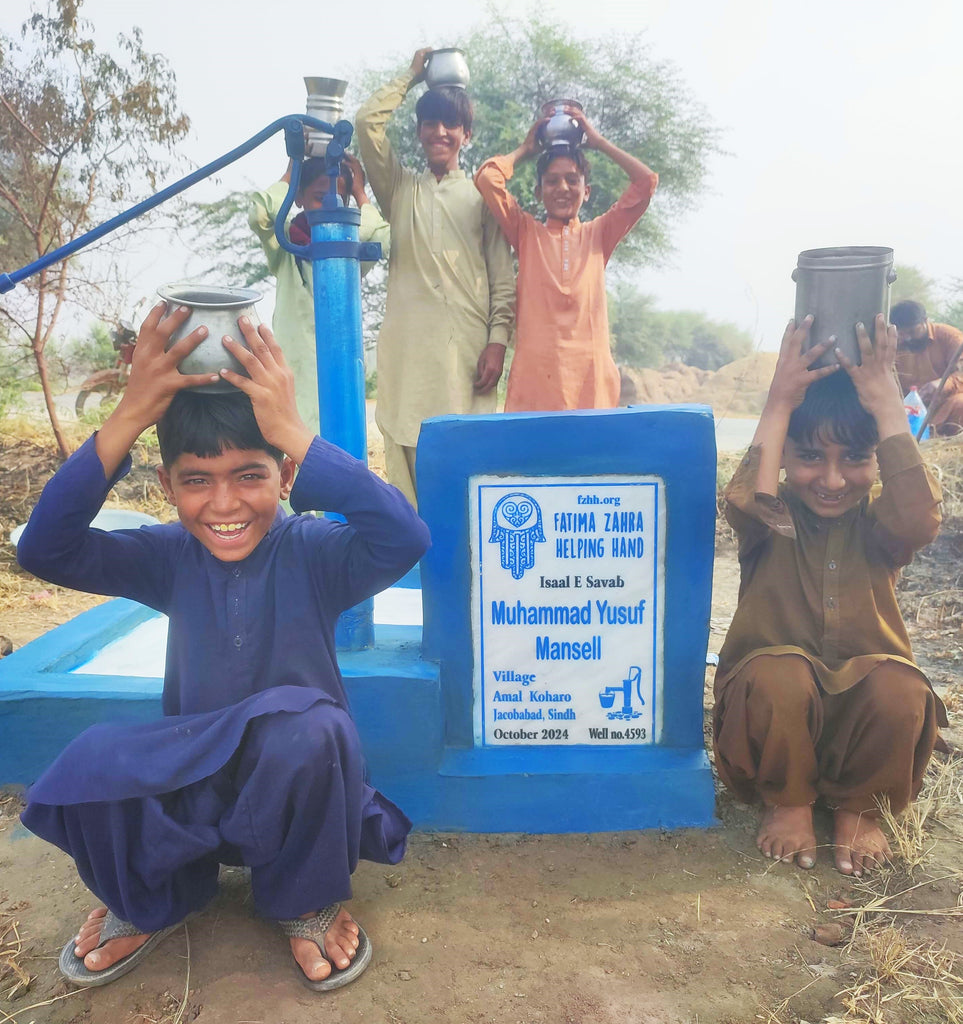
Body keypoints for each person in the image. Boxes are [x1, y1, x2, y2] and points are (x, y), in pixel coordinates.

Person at [16, 304, 429, 990]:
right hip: (194, 780)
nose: (224, 504)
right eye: (196, 481)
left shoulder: (316, 551)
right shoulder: (166, 556)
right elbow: (44, 549)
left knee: (312, 730)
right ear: (169, 487)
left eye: (249, 475)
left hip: (299, 785)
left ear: (285, 477)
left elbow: (404, 538)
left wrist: (294, 430)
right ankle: (155, 899)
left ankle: (300, 896)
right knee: (94, 758)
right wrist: (128, 417)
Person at [713, 314, 946, 877]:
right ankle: (789, 801)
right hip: (772, 722)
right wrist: (780, 399)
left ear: (876, 462)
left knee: (900, 686)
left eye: (856, 460)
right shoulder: (772, 521)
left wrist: (887, 402)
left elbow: (920, 513)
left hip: (862, 724)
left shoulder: (883, 527)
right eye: (811, 457)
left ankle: (862, 808)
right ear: (786, 459)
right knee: (781, 672)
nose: (834, 480)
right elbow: (747, 496)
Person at [356, 47, 515, 506]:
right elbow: (368, 123)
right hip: (408, 360)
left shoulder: (482, 196)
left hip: (466, 362)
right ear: (420, 131)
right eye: (431, 123)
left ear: (467, 134)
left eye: (451, 125)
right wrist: (409, 77)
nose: (440, 133)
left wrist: (497, 342)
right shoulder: (400, 189)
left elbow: (503, 279)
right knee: (408, 485)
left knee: (467, 477)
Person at [474, 112, 657, 412]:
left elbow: (646, 182)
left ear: (586, 192)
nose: (562, 188)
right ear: (538, 191)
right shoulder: (525, 233)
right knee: (534, 459)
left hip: (591, 381)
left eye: (572, 180)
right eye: (552, 181)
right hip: (536, 384)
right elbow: (487, 178)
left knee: (591, 459)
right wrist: (525, 149)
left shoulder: (599, 234)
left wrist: (598, 143)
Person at [248, 153, 389, 437]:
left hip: (339, 373)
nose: (329, 205)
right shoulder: (286, 244)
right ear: (298, 196)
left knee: (338, 449)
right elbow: (260, 214)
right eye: (318, 196)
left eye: (340, 197)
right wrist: (291, 173)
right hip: (295, 372)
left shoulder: (349, 250)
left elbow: (382, 239)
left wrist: (361, 192)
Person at [890, 299, 963, 436]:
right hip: (907, 411)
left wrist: (942, 384)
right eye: (903, 333)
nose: (908, 338)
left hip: (945, 405)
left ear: (925, 320)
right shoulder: (892, 343)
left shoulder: (949, 336)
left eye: (912, 331)